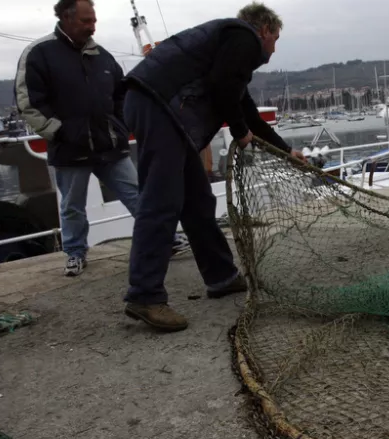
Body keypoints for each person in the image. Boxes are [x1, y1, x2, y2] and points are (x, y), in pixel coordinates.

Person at [119, 2, 306, 332]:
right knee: (161, 201)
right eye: (275, 39)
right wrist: (240, 132)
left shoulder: (229, 46)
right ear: (263, 30)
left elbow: (243, 106)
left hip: (160, 108)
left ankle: (221, 276)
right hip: (159, 106)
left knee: (197, 201)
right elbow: (223, 89)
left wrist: (286, 151)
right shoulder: (243, 38)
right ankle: (145, 295)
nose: (274, 50)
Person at [14, 0, 188, 277]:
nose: (92, 26)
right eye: (86, 21)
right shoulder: (39, 53)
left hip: (110, 146)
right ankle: (75, 253)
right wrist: (60, 132)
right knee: (72, 206)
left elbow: (121, 96)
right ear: (67, 18)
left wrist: (120, 126)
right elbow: (28, 103)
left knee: (138, 195)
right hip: (70, 149)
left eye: (93, 20)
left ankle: (166, 240)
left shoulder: (102, 56)